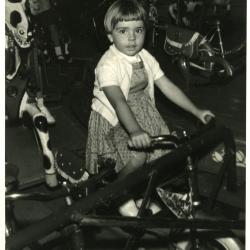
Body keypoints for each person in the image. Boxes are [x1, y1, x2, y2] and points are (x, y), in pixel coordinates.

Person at [85, 0, 214, 217]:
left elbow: (168, 86)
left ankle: (146, 193)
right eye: (123, 31)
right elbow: (118, 102)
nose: (132, 38)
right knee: (137, 158)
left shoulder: (144, 57)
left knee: (165, 156)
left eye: (138, 30)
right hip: (116, 120)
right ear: (110, 36)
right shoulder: (107, 65)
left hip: (143, 111)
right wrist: (134, 130)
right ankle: (120, 194)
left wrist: (196, 111)